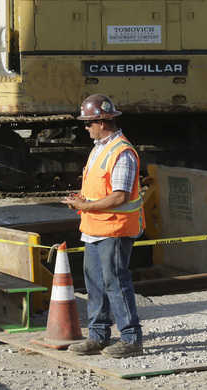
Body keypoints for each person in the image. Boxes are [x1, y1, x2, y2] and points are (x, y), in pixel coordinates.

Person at [61, 94, 145, 358]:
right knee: (95, 284)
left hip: (115, 229)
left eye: (88, 123)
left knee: (115, 282)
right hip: (95, 228)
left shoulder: (122, 152)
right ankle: (98, 336)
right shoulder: (100, 147)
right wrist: (83, 201)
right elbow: (102, 189)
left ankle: (131, 338)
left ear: (102, 121)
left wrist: (85, 206)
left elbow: (119, 196)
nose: (85, 128)